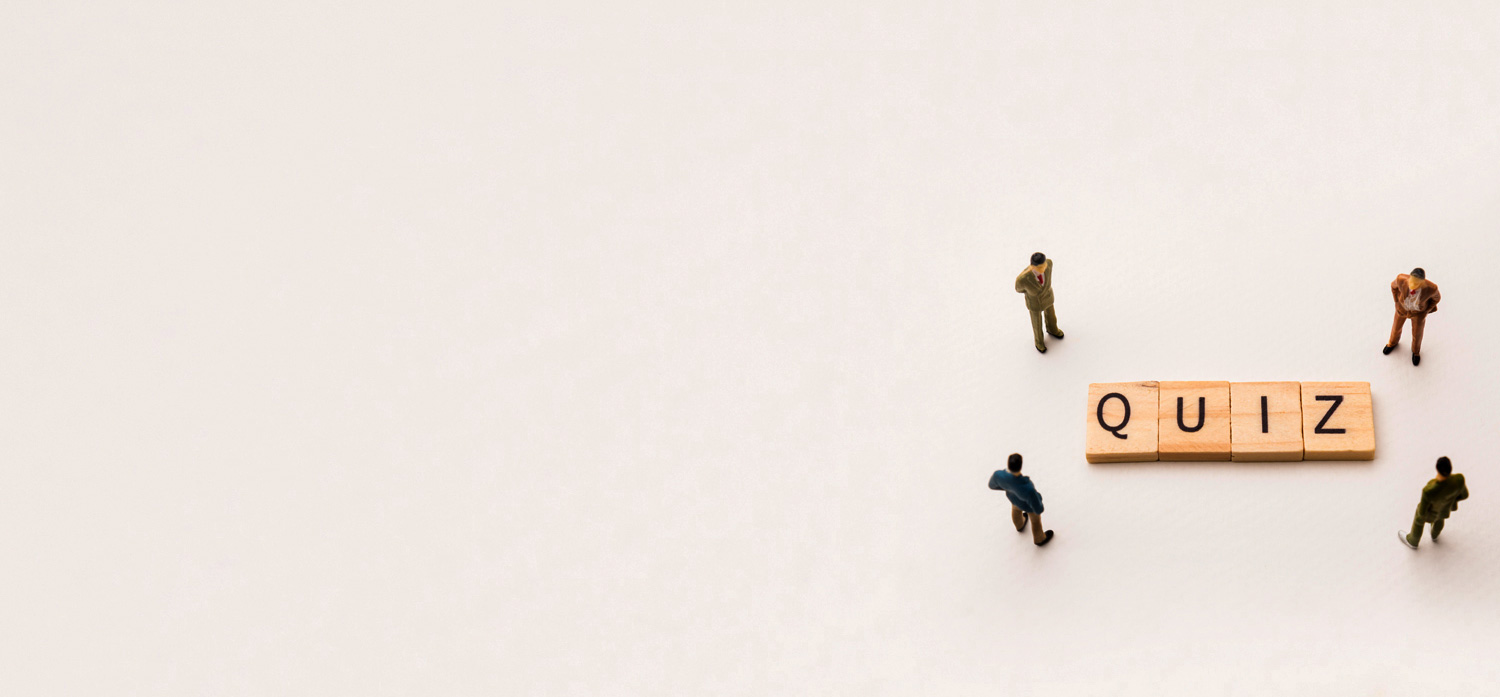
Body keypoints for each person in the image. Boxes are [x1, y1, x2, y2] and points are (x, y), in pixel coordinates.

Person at [1399, 456, 1469, 549]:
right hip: (1445, 509)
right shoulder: (1459, 480)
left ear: (1437, 469)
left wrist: (1421, 516)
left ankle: (1413, 541)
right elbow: (1464, 495)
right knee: (1440, 519)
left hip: (1430, 513)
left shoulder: (1429, 490)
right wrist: (1451, 502)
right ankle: (1434, 535)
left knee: (1419, 521)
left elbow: (1422, 512)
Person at [989, 453, 1053, 546]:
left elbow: (991, 485)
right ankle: (1039, 538)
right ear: (1020, 466)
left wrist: (1007, 488)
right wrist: (1039, 510)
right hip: (1028, 506)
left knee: (1015, 510)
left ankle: (1019, 525)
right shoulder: (1027, 487)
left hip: (1013, 498)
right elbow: (1037, 507)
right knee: (1035, 521)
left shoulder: (998, 475)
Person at [1384, 267, 1440, 366]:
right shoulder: (1400, 279)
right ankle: (1392, 343)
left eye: (1417, 283)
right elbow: (1393, 287)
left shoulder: (1431, 288)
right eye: (1412, 282)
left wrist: (1426, 310)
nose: (1413, 285)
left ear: (1422, 282)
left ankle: (1416, 352)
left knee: (1417, 333)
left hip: (1418, 313)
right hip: (1402, 309)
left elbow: (1436, 298)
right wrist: (1396, 301)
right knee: (1396, 327)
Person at [1015, 252, 1063, 353]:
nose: (1044, 268)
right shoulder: (1023, 279)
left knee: (1051, 315)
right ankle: (1039, 342)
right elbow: (1018, 289)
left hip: (1047, 297)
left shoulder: (1049, 264)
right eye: (1041, 266)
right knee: (1037, 323)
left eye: (1044, 264)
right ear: (1033, 266)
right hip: (1035, 303)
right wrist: (1030, 294)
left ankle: (1052, 329)